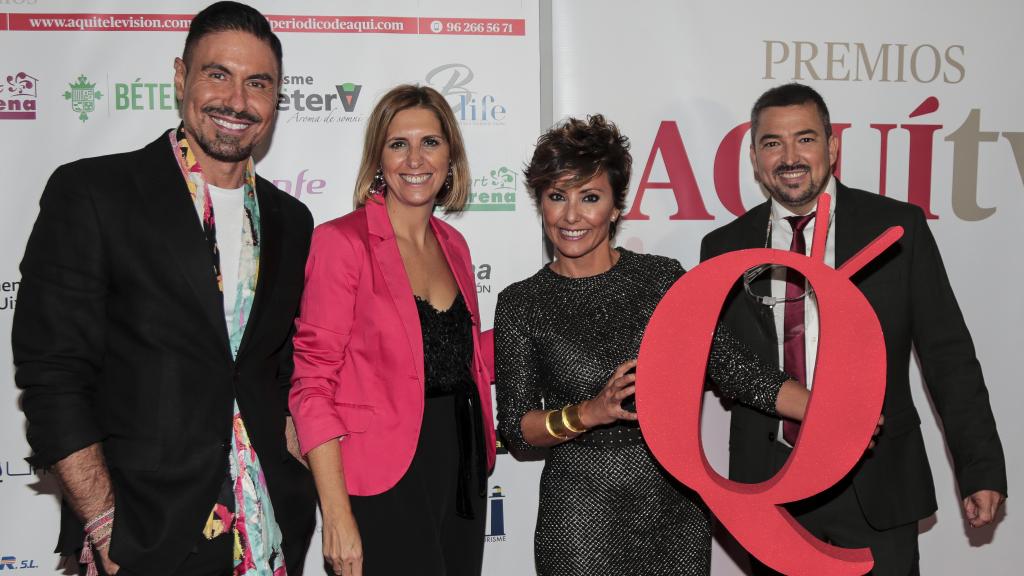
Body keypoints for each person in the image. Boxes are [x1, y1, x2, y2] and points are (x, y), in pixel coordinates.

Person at [12, 3, 316, 575]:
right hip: (143, 529)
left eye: (258, 83)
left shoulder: (290, 219)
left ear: (277, 98)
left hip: (269, 529)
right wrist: (105, 525)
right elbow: (53, 373)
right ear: (181, 77)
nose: (237, 101)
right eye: (216, 74)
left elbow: (278, 371)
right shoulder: (95, 193)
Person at [700, 83, 1007, 575]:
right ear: (755, 157)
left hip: (877, 482)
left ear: (832, 147)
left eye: (805, 139)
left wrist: (981, 468)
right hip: (772, 488)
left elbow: (947, 353)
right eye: (772, 143)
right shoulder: (723, 248)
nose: (790, 157)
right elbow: (722, 367)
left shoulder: (895, 228)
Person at [494, 114, 811, 576]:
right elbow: (518, 428)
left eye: (591, 197)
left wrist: (833, 417)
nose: (571, 216)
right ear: (541, 203)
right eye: (557, 197)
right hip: (579, 518)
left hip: (673, 509)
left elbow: (736, 369)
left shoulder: (661, 280)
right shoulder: (521, 303)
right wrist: (588, 413)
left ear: (617, 207)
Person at [289, 84, 496, 576]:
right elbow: (312, 384)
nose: (415, 159)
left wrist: (544, 320)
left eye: (431, 142)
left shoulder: (455, 244)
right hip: (382, 473)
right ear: (378, 158)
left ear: (451, 155)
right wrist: (336, 514)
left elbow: (455, 357)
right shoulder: (342, 242)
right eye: (398, 144)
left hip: (461, 461)